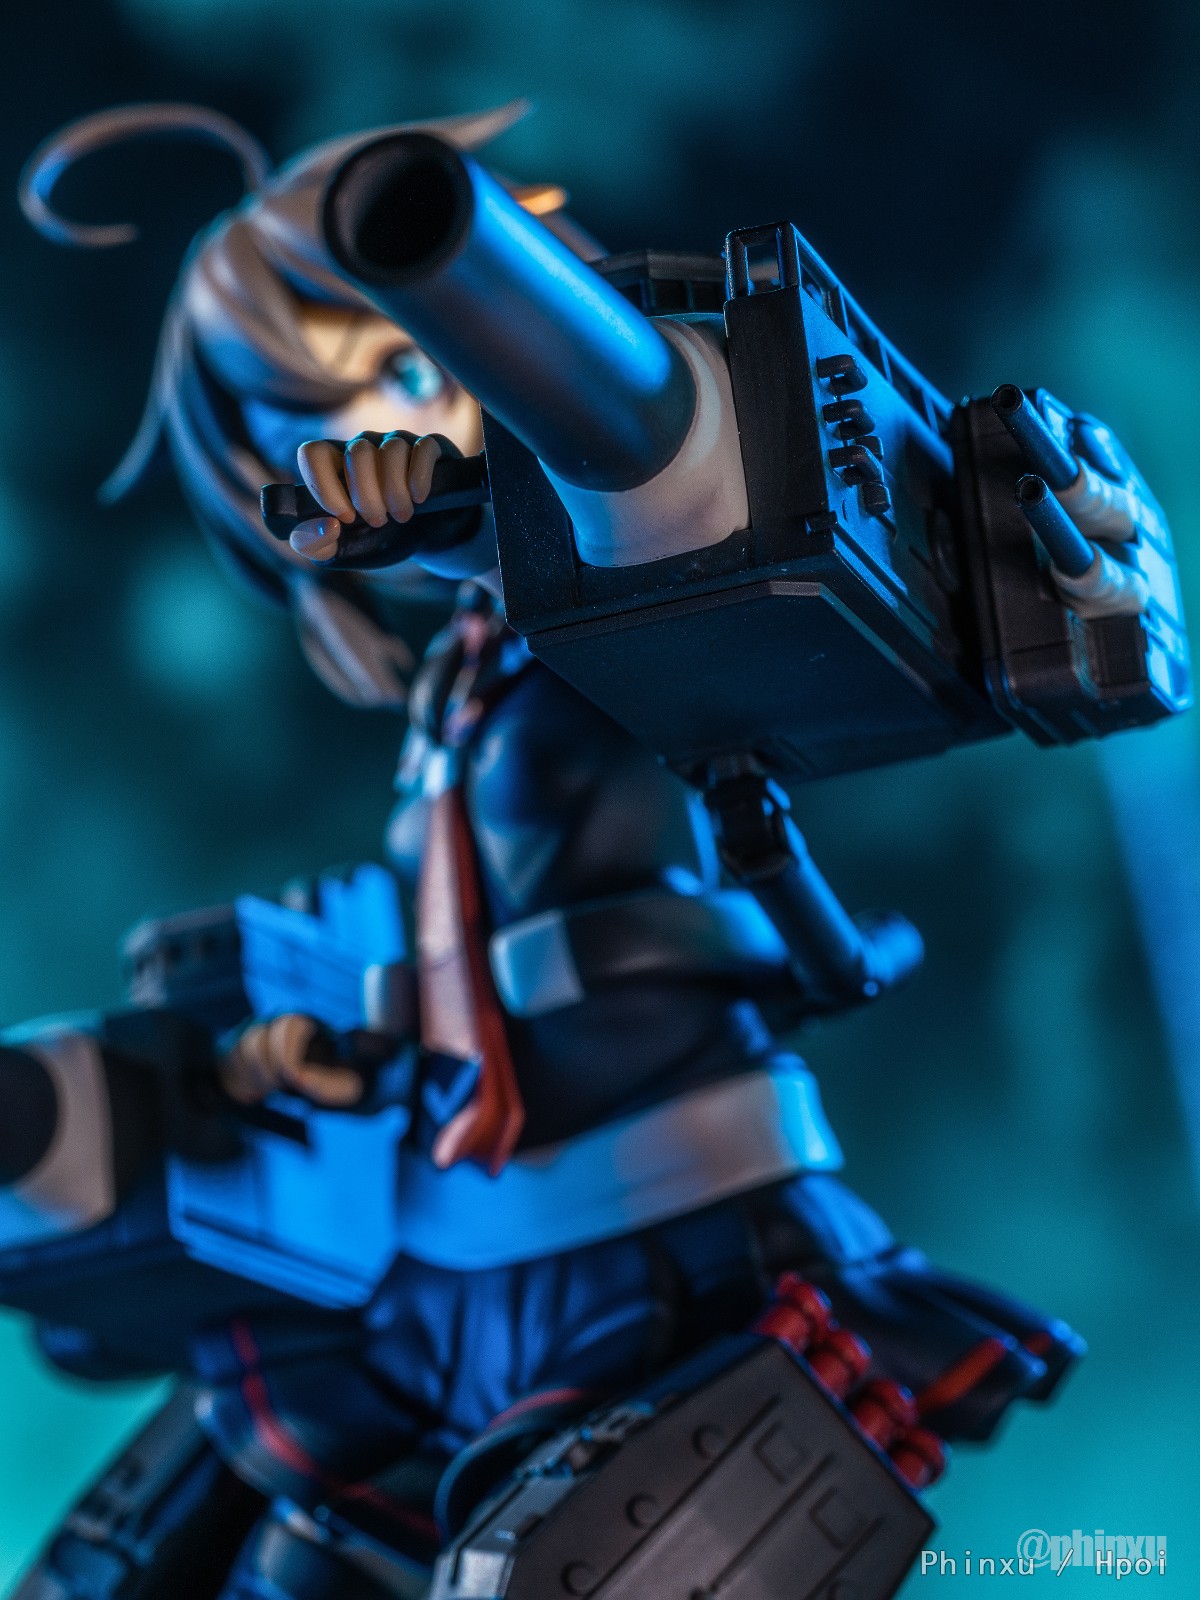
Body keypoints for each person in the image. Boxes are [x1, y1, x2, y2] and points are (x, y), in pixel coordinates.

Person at [2, 104, 1081, 1600]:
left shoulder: (627, 618)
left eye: (415, 363)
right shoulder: (452, 694)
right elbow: (447, 951)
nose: (391, 414)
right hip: (457, 1260)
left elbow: (604, 528)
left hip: (661, 1229)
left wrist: (449, 520)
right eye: (336, 398)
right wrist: (309, 1058)